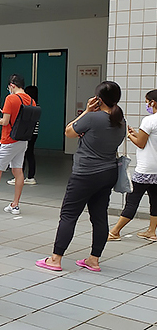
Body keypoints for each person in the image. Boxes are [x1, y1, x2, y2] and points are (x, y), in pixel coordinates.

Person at [36, 81, 125, 272]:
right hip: (108, 173)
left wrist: (86, 111)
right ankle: (94, 260)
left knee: (69, 215)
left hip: (85, 173)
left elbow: (69, 132)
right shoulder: (120, 121)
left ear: (98, 99)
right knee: (99, 216)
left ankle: (55, 259)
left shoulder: (93, 118)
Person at [0, 74, 35, 215]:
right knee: (18, 171)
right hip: (22, 141)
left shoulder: (10, 98)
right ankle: (15, 204)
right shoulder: (31, 101)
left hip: (8, 140)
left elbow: (5, 122)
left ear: (12, 85)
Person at [108, 89, 157, 242]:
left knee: (132, 200)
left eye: (147, 101)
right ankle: (151, 232)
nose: (147, 105)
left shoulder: (149, 120)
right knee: (155, 201)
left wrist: (128, 134)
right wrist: (135, 133)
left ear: (153, 102)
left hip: (145, 169)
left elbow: (141, 143)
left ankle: (115, 231)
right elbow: (149, 140)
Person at [8, 85, 39, 186]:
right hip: (34, 133)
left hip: (26, 133)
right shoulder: (35, 105)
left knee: (22, 154)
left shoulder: (27, 106)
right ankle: (30, 176)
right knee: (30, 154)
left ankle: (19, 176)